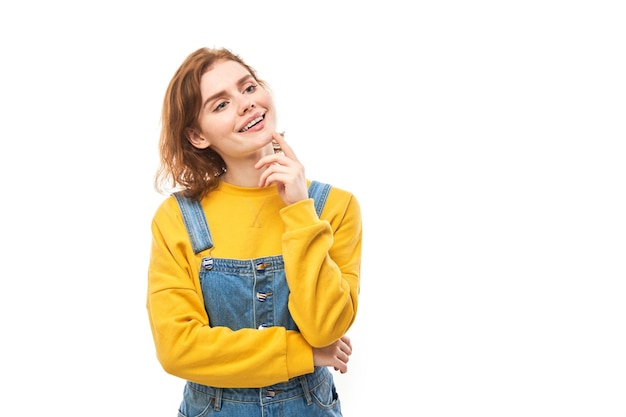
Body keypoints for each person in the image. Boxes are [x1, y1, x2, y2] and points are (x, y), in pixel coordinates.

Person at [146, 47, 362, 416]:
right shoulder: (177, 218)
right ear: (198, 136)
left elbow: (325, 327)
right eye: (220, 104)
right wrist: (303, 354)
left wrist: (298, 209)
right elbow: (178, 348)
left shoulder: (334, 207)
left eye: (248, 88)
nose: (246, 104)